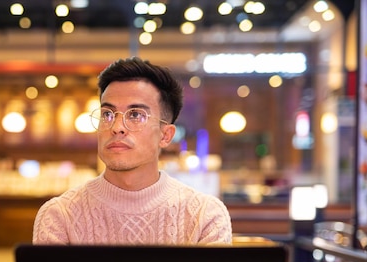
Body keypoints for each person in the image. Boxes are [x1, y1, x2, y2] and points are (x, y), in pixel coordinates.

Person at [32, 57, 232, 245]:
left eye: (135, 115)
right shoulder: (59, 215)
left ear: (166, 135)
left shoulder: (205, 216)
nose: (117, 126)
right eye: (107, 114)